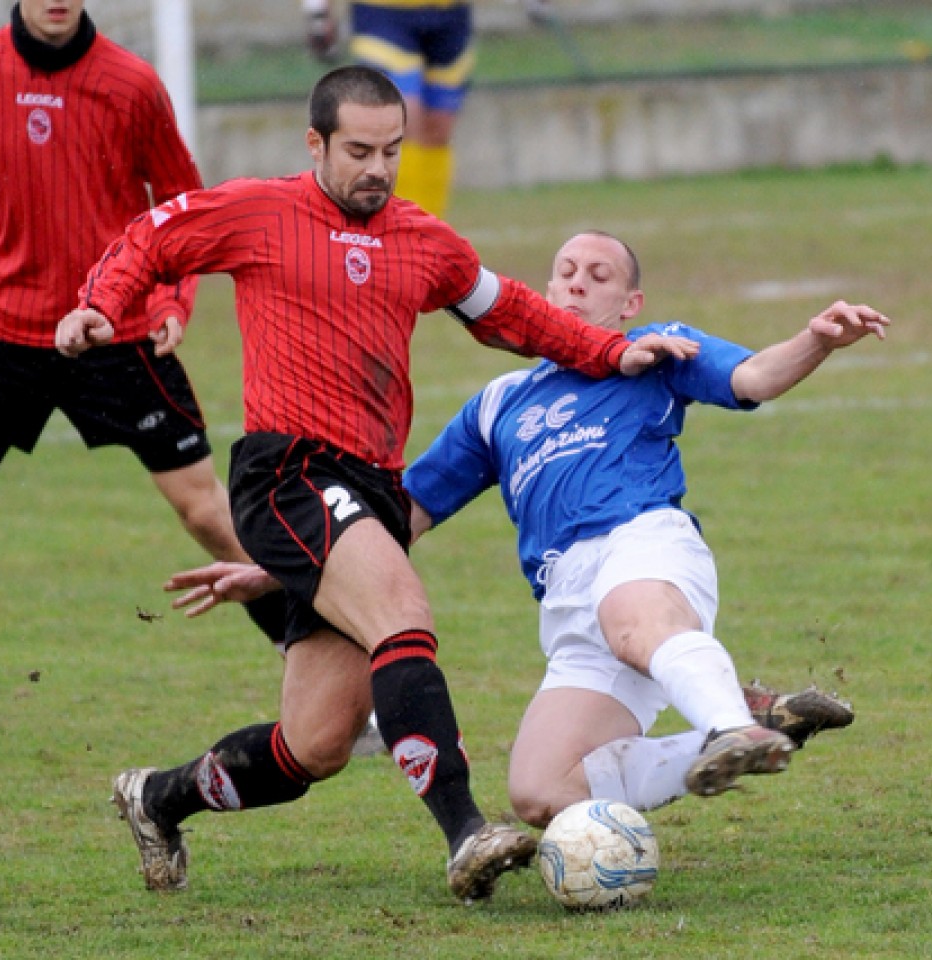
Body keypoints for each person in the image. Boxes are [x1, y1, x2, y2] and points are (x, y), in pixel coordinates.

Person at [54, 65, 701, 902]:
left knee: (313, 744)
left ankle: (157, 797)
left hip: (369, 488)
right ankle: (467, 831)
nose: (378, 168)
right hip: (288, 470)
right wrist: (102, 302)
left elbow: (511, 313)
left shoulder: (424, 241)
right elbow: (152, 236)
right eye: (358, 150)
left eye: (391, 151)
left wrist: (612, 351)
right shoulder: (258, 210)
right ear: (315, 143)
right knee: (404, 614)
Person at [167, 231, 875, 829]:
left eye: (598, 277)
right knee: (542, 791)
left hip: (641, 543)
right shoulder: (500, 404)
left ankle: (732, 726)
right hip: (567, 602)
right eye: (564, 273)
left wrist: (816, 341)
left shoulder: (657, 352)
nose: (576, 285)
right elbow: (399, 516)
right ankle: (757, 731)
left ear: (628, 305)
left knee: (634, 624)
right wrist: (284, 566)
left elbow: (753, 377)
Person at [0, 0, 283, 767]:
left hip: (114, 325)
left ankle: (319, 671)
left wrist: (170, 298)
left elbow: (180, 198)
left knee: (208, 512)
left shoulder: (132, 85)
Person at [302, 0, 548, 219]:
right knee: (405, 119)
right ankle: (394, 228)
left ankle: (428, 232)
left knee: (438, 129)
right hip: (384, 14)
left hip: (451, 17)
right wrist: (317, 12)